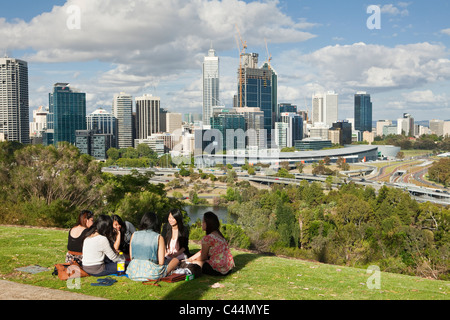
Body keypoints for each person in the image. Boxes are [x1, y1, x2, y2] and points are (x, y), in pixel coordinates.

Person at [126, 212, 180, 281]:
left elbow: (131, 257)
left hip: (133, 271)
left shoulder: (134, 234)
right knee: (176, 260)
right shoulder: (158, 237)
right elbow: (161, 262)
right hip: (151, 273)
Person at [186, 211, 234, 276]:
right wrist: (191, 258)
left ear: (208, 224)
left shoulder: (208, 238)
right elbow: (202, 251)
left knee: (190, 264)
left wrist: (191, 261)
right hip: (228, 269)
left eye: (203, 222)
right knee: (190, 260)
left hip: (217, 270)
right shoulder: (219, 235)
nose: (201, 224)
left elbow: (203, 257)